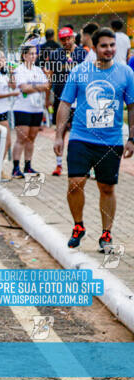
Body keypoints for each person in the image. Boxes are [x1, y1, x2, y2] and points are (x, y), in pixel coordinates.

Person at [53, 28, 134, 251]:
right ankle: (78, 226)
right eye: (104, 46)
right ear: (95, 48)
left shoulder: (126, 73)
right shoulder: (79, 71)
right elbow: (65, 104)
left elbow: (132, 106)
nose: (109, 50)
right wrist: (59, 135)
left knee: (106, 188)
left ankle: (106, 234)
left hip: (111, 140)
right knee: (74, 183)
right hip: (81, 137)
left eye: (112, 45)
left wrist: (132, 138)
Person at [47, 26, 88, 176]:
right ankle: (58, 165)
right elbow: (50, 77)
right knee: (60, 131)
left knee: (81, 132)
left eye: (68, 38)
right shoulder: (55, 54)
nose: (66, 42)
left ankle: (84, 166)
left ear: (73, 37)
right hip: (61, 98)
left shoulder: (82, 53)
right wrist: (47, 98)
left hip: (80, 99)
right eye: (63, 39)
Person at [11, 45, 50, 177]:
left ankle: (28, 166)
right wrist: (38, 87)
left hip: (37, 108)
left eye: (35, 54)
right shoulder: (19, 70)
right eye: (31, 54)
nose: (34, 56)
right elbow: (24, 88)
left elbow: (46, 85)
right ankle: (16, 167)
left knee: (32, 138)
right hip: (23, 108)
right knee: (21, 137)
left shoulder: (38, 70)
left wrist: (33, 86)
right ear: (24, 56)